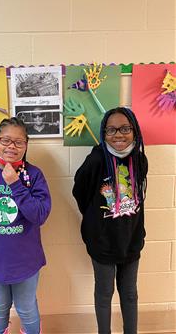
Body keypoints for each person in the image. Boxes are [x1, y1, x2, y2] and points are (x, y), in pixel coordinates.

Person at [0, 117, 51, 334]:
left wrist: (15, 184)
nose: (11, 147)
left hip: (25, 259)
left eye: (18, 142)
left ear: (26, 145)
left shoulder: (34, 176)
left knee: (26, 308)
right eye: (6, 140)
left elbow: (40, 215)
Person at [72, 107, 148, 334]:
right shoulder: (96, 159)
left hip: (131, 239)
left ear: (134, 131)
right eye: (111, 130)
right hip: (103, 241)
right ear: (104, 133)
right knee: (104, 293)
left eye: (125, 128)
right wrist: (97, 220)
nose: (118, 135)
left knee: (130, 292)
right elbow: (80, 191)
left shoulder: (139, 158)